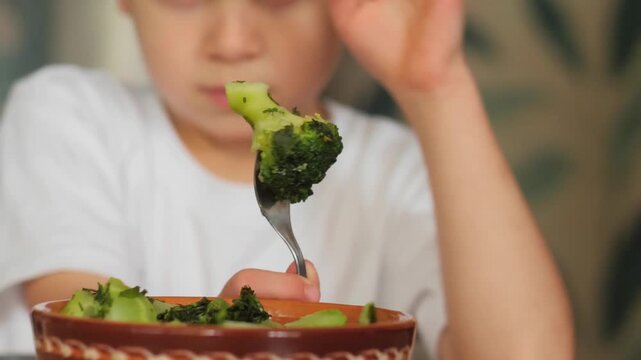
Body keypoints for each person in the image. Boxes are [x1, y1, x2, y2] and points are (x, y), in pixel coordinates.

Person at [0, 0, 574, 358]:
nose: (230, 42)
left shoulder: (395, 169)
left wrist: (437, 88)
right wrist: (218, 335)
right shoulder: (69, 116)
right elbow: (83, 333)